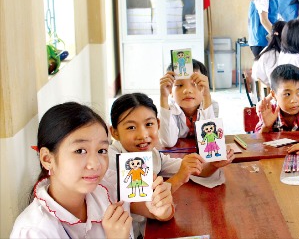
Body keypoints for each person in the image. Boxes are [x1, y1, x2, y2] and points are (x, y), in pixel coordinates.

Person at [11, 102, 173, 238]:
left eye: (102, 150)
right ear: (47, 159)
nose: (95, 164)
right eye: (80, 151)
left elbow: (157, 211)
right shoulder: (34, 231)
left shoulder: (109, 185)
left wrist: (162, 208)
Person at [109, 93, 234, 236]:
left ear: (158, 124)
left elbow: (195, 170)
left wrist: (214, 164)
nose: (143, 135)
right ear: (115, 133)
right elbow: (138, 205)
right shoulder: (111, 160)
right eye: (131, 127)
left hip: (146, 228)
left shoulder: (153, 155)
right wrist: (178, 178)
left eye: (149, 124)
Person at [255, 64, 299, 142]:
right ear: (274, 95)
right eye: (287, 94)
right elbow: (258, 141)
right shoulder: (269, 110)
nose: (294, 100)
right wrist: (266, 126)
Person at [159, 59, 218, 147]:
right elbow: (168, 142)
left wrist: (206, 95)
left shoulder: (211, 105)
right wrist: (163, 97)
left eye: (195, 84)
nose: (187, 90)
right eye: (179, 85)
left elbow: (209, 140)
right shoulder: (168, 109)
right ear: (170, 90)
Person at [252, 19, 299, 87]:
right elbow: (276, 81)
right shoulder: (274, 55)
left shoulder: (281, 53)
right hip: (269, 92)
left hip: (264, 90)